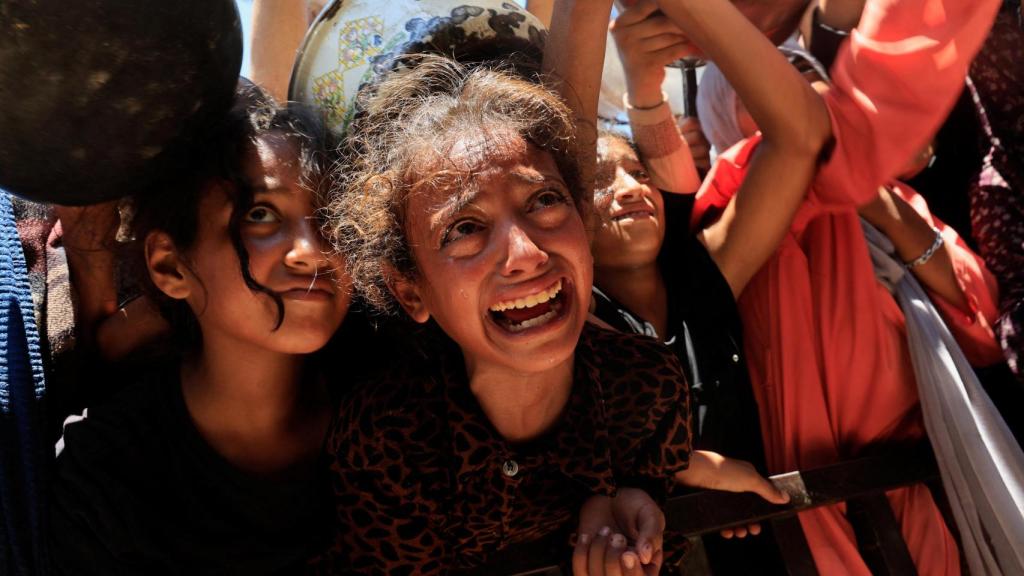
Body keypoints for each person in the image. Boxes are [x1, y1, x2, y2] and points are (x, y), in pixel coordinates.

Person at [621, 0, 1002, 571]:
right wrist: (644, 94)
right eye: (767, 81)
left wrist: (876, 202)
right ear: (729, 112)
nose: (795, 90)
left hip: (923, 474)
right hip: (811, 499)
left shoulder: (892, 197)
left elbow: (978, 313)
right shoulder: (728, 206)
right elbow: (793, 142)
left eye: (806, 75)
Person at [46, 83, 352, 575]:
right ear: (170, 266)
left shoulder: (395, 405)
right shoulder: (108, 472)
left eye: (331, 218)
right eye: (260, 215)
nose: (313, 250)